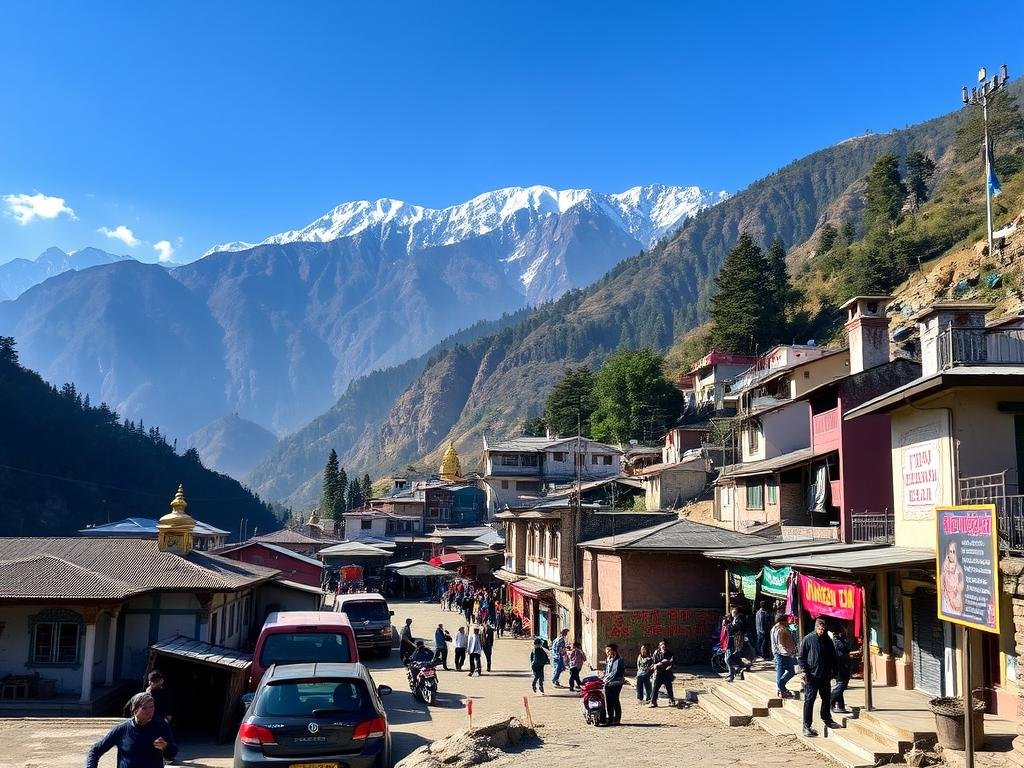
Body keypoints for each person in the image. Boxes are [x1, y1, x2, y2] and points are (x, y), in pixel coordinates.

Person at [86, 692, 178, 768]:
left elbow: (172, 752)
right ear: (135, 711)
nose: (150, 711)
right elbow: (95, 750)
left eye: (151, 707)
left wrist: (166, 746)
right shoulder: (122, 729)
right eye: (144, 708)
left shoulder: (161, 727)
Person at [798, 617, 841, 737]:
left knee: (826, 698)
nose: (821, 631)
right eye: (820, 628)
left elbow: (833, 657)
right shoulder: (808, 639)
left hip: (825, 675)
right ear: (816, 627)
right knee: (809, 700)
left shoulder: (828, 640)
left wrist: (835, 672)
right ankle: (806, 726)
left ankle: (827, 719)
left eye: (823, 629)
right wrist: (805, 671)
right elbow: (801, 657)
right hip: (812, 676)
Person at [770, 612, 798, 698]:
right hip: (783, 654)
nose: (787, 622)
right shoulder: (780, 630)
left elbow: (793, 628)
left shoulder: (774, 628)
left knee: (781, 671)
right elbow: (780, 644)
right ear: (782, 621)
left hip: (779, 653)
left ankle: (781, 689)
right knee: (790, 671)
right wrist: (789, 653)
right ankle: (781, 688)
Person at [831, 625, 852, 714]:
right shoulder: (838, 642)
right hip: (841, 666)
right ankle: (830, 699)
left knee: (840, 683)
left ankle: (840, 705)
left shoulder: (840, 641)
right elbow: (840, 655)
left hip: (841, 666)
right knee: (842, 684)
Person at [941, 540, 966, 614]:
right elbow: (941, 586)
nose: (951, 554)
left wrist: (957, 589)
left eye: (953, 552)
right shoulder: (944, 568)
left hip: (957, 602)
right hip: (947, 600)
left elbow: (961, 586)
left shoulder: (959, 569)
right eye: (950, 551)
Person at [603, 643, 625, 726]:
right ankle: (610, 718)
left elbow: (615, 673)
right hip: (607, 683)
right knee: (608, 701)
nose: (607, 652)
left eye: (609, 650)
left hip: (616, 683)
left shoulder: (619, 660)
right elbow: (606, 671)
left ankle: (617, 719)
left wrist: (605, 679)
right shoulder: (608, 659)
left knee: (615, 700)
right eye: (607, 650)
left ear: (614, 651)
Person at [650, 639, 675, 707]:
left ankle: (671, 700)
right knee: (655, 688)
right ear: (659, 646)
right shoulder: (656, 653)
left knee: (669, 688)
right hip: (659, 673)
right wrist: (657, 666)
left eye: (664, 645)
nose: (663, 646)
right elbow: (654, 664)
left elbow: (671, 663)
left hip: (667, 673)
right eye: (661, 645)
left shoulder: (670, 653)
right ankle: (653, 702)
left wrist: (668, 667)